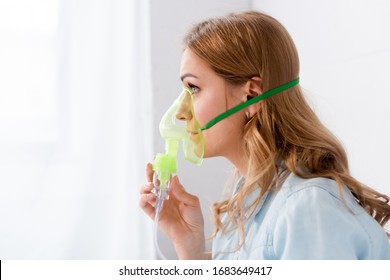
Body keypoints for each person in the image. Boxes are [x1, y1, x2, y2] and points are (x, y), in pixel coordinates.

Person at [139, 11, 390, 259]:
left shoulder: (307, 209)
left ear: (252, 95)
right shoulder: (244, 205)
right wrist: (190, 249)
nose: (180, 113)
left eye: (194, 88)